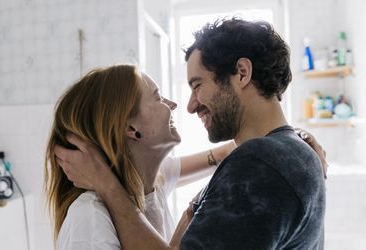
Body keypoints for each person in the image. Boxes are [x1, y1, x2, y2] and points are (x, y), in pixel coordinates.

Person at [56, 18, 327, 250]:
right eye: (158, 98)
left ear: (242, 73)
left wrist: (108, 186)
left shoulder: (261, 162)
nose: (189, 105)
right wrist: (295, 136)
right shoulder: (279, 155)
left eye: (197, 85)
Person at [45, 64, 237, 249]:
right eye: (158, 97)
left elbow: (222, 154)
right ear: (130, 128)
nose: (174, 105)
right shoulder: (89, 218)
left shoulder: (153, 185)